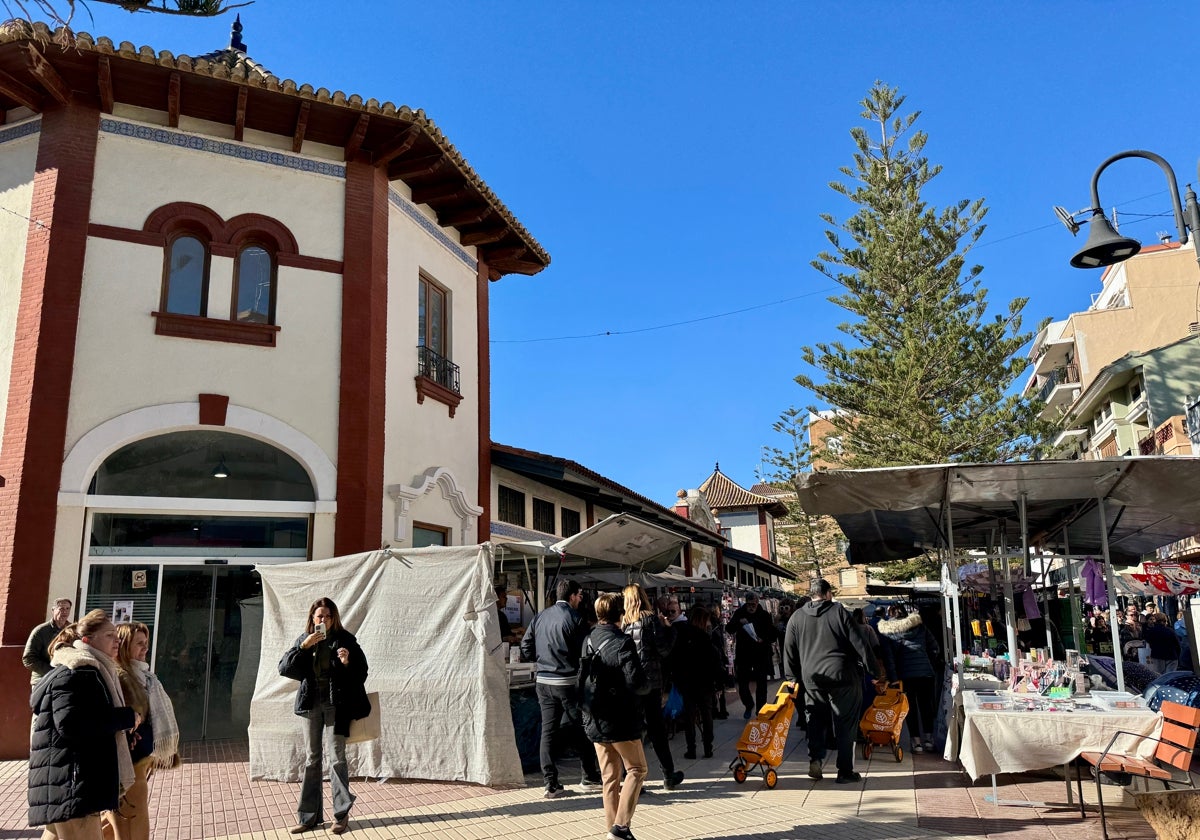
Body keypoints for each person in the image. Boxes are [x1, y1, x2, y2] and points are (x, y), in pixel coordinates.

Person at [29, 609, 140, 840]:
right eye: (109, 635)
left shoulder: (90, 670)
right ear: (87, 640)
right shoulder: (79, 671)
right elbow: (71, 723)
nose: (117, 640)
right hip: (74, 782)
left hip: (65, 781)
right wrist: (125, 718)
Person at [278, 598, 369, 835]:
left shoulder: (345, 638)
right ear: (312, 618)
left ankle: (341, 815)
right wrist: (304, 647)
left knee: (337, 758)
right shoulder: (305, 639)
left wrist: (347, 662)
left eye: (327, 616)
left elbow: (362, 672)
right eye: (319, 616)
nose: (323, 620)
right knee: (312, 759)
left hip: (336, 706)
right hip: (311, 704)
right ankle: (308, 818)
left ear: (333, 618)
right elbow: (284, 668)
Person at [783, 579, 884, 784]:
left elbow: (789, 650)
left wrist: (792, 677)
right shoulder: (839, 612)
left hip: (812, 678)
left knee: (815, 720)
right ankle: (845, 771)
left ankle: (816, 760)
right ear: (828, 593)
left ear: (812, 594)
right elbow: (860, 643)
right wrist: (874, 671)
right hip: (843, 676)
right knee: (846, 723)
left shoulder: (797, 617)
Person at [519, 579, 603, 797]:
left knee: (548, 730)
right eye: (580, 595)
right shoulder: (576, 619)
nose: (581, 599)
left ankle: (550, 782)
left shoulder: (540, 616)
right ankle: (589, 776)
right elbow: (585, 653)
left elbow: (525, 645)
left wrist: (540, 659)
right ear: (573, 596)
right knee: (581, 728)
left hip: (543, 681)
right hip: (566, 681)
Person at [101, 622, 181, 840]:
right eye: (139, 644)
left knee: (113, 822)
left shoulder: (144, 677)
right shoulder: (120, 677)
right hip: (128, 763)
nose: (145, 648)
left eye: (146, 643)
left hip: (140, 761)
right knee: (133, 824)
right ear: (126, 646)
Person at [581, 592, 649, 840]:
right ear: (620, 615)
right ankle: (620, 827)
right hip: (620, 718)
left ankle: (613, 831)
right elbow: (637, 682)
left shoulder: (588, 639)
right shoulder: (623, 642)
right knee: (638, 769)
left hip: (594, 717)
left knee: (609, 777)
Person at [620, 584, 683, 789]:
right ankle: (668, 775)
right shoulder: (650, 618)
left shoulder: (624, 623)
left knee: (633, 731)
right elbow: (663, 650)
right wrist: (670, 629)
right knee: (657, 730)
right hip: (652, 682)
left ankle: (632, 779)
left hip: (631, 682)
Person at [876, 604, 939, 754]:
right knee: (926, 706)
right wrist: (928, 663)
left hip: (904, 676)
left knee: (908, 709)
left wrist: (893, 678)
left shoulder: (888, 632)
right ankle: (929, 740)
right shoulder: (920, 627)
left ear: (890, 614)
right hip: (925, 673)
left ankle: (916, 742)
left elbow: (889, 658)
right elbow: (934, 647)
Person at [672, 604, 719, 759]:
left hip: (687, 683)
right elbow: (713, 663)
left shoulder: (681, 635)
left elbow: (676, 661)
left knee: (690, 717)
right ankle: (708, 748)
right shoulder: (705, 638)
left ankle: (691, 749)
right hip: (705, 683)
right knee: (707, 715)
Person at [727, 593, 776, 718]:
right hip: (744, 655)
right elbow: (729, 629)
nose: (751, 607)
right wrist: (739, 623)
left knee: (761, 685)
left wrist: (763, 639)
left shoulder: (764, 615)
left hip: (761, 654)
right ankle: (748, 704)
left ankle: (761, 711)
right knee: (743, 685)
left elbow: (771, 634)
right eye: (748, 604)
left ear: (757, 603)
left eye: (753, 604)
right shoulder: (739, 613)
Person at [24, 597, 73, 687]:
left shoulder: (72, 630)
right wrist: (52, 671)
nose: (65, 612)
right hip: (42, 680)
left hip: (65, 680)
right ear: (53, 610)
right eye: (61, 608)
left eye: (67, 609)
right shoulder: (41, 631)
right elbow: (28, 659)